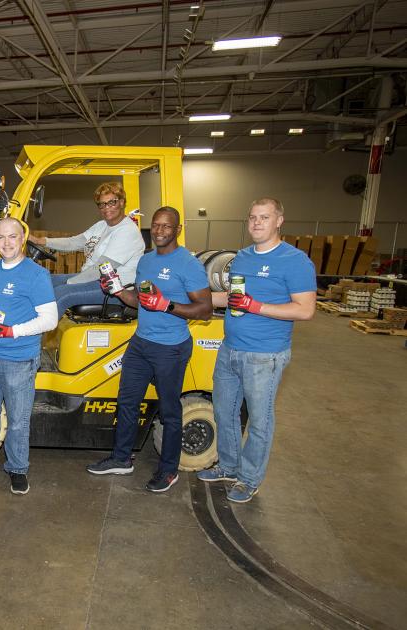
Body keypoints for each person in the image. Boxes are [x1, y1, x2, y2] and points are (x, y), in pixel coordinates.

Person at [197, 198, 315, 503]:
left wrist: (257, 306)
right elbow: (231, 298)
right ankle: (228, 465)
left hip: (266, 354)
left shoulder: (295, 260)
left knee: (260, 421)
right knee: (224, 413)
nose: (257, 223)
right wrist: (192, 298)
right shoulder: (244, 257)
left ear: (279, 221)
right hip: (230, 348)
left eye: (264, 217)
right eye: (252, 218)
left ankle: (249, 479)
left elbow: (305, 310)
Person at [87, 207, 212, 492]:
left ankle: (169, 470)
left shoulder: (188, 264)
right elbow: (140, 301)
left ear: (177, 230)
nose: (159, 231)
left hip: (170, 348)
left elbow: (204, 310)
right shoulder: (146, 261)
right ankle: (122, 458)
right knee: (127, 402)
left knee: (169, 412)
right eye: (155, 225)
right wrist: (118, 291)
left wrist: (166, 305)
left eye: (166, 226)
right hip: (141, 343)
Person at [0, 217, 58, 495]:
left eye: (12, 237)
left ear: (23, 239)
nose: (6, 243)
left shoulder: (36, 274)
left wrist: (12, 331)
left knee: (18, 420)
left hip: (18, 359)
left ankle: (17, 469)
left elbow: (50, 319)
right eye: (0, 237)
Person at [27, 181, 145, 314]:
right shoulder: (102, 225)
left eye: (112, 202)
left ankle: (37, 332)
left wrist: (70, 283)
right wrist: (39, 240)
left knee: (62, 292)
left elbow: (100, 269)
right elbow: (74, 242)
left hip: (114, 289)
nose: (106, 208)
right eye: (102, 204)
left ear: (122, 202)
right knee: (44, 281)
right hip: (93, 280)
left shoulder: (127, 231)